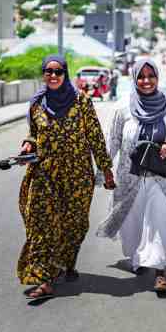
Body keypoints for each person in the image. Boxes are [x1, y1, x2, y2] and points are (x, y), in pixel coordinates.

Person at [17, 54, 116, 300]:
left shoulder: (81, 101)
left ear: (65, 74)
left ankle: (66, 262)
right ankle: (44, 278)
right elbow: (33, 133)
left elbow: (95, 137)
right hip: (45, 173)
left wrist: (106, 169)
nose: (53, 76)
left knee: (74, 224)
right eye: (48, 71)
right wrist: (28, 145)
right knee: (41, 225)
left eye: (58, 71)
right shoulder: (36, 104)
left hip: (77, 176)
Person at [97, 57, 166, 294]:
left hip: (164, 178)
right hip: (130, 177)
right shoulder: (123, 109)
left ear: (158, 78)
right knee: (132, 223)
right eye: (141, 76)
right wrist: (103, 172)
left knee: (160, 220)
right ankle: (138, 257)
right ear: (134, 79)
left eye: (151, 76)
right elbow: (113, 141)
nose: (146, 81)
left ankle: (160, 271)